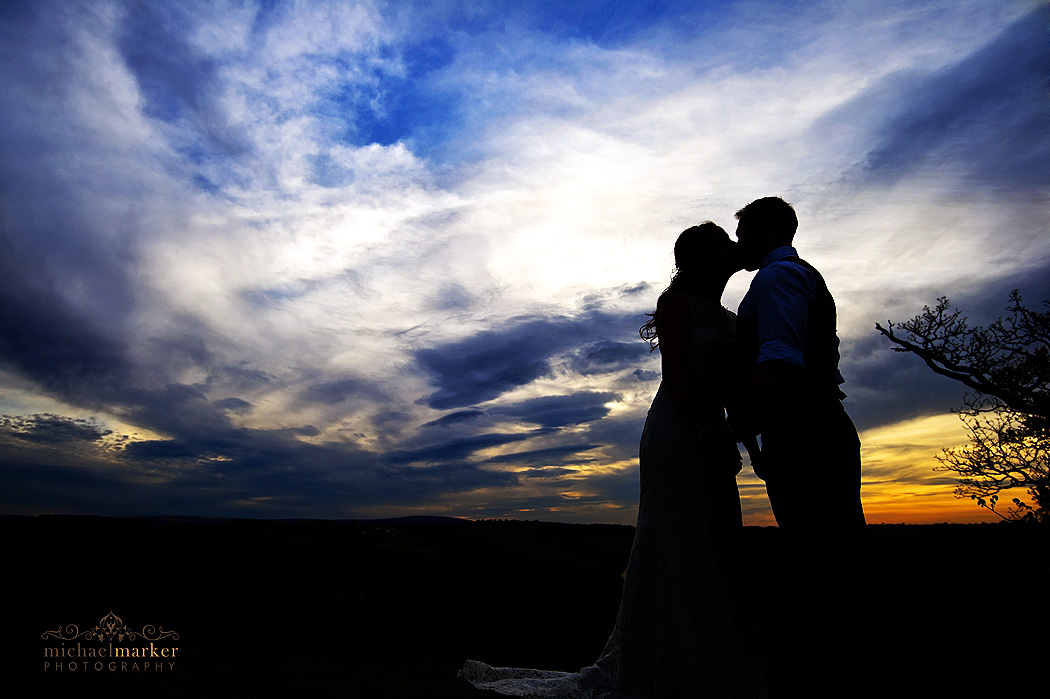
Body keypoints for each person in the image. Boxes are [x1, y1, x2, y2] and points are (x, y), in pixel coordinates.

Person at [461, 222, 764, 698]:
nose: (734, 248)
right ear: (705, 257)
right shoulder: (677, 305)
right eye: (725, 243)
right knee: (676, 542)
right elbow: (678, 375)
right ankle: (660, 665)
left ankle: (705, 662)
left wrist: (743, 441)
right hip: (677, 434)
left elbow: (731, 388)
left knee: (715, 541)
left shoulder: (728, 317)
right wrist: (703, 430)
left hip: (714, 434)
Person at [731, 196, 866, 696]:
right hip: (804, 433)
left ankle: (858, 676)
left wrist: (734, 430)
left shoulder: (777, 277)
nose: (738, 242)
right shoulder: (785, 277)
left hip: (807, 435)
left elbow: (781, 363)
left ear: (765, 228)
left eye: (743, 232)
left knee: (832, 569)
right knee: (831, 567)